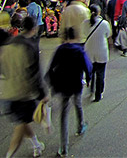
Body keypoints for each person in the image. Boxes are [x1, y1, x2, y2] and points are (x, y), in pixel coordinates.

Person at [0, 16, 48, 158]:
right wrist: (42, 94)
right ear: (34, 28)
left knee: (23, 120)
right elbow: (35, 73)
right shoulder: (31, 46)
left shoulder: (10, 42)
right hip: (23, 91)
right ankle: (10, 154)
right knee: (21, 123)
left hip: (7, 88)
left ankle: (36, 145)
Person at [46, 25, 92, 158]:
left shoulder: (60, 49)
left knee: (64, 114)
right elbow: (87, 67)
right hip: (76, 84)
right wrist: (88, 79)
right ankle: (80, 125)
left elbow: (51, 67)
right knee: (78, 104)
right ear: (76, 36)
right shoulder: (79, 51)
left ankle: (63, 147)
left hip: (63, 85)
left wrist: (52, 84)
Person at [84, 4, 112, 102]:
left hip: (89, 50)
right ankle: (98, 93)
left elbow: (83, 34)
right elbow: (108, 35)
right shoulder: (104, 23)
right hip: (101, 50)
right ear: (99, 12)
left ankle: (90, 85)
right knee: (100, 73)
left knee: (91, 70)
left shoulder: (85, 23)